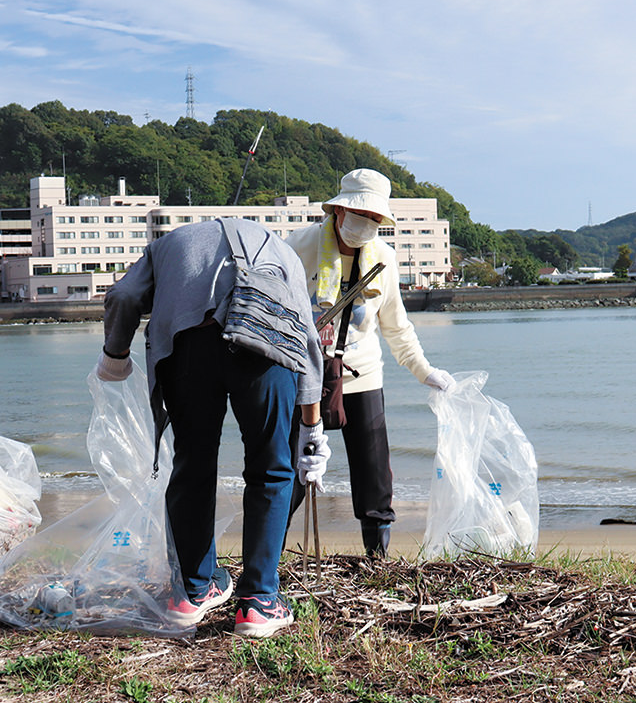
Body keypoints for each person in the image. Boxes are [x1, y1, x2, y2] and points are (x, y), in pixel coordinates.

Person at [97, 217, 330, 638]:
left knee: (193, 463)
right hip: (266, 340)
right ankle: (258, 602)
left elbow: (126, 294)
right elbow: (308, 339)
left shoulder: (167, 244)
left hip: (190, 346)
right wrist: (312, 430)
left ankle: (191, 593)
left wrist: (114, 357)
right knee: (272, 469)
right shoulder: (280, 248)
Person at [284, 168, 455, 557]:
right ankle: (267, 563)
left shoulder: (385, 259)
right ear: (339, 210)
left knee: (374, 473)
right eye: (361, 216)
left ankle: (376, 558)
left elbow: (396, 327)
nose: (367, 225)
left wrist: (425, 372)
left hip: (362, 376)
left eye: (375, 219)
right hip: (303, 376)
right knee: (291, 469)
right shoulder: (297, 247)